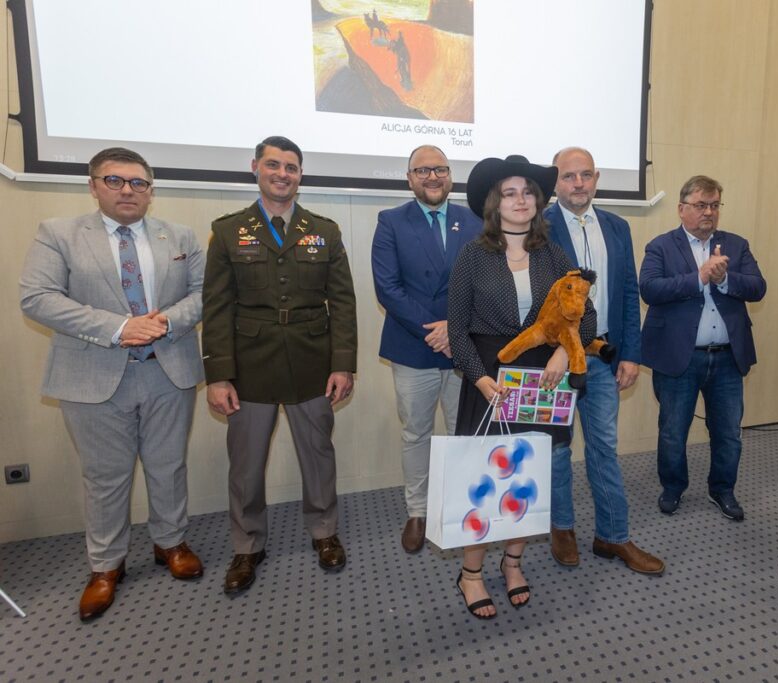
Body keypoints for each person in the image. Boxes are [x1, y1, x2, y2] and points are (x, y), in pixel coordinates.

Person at [20, 147, 205, 621]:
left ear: (150, 190)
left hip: (168, 369)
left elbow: (203, 293)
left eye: (138, 182)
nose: (128, 190)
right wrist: (120, 328)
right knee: (105, 476)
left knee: (168, 465)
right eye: (115, 180)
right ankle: (106, 565)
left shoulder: (179, 236)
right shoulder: (58, 234)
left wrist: (164, 322)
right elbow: (37, 298)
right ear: (93, 185)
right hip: (93, 376)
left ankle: (170, 543)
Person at [202, 136, 358, 594]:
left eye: (291, 167)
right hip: (250, 365)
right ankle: (247, 544)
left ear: (300, 175)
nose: (282, 174)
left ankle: (324, 531)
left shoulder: (324, 231)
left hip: (313, 360)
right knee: (246, 463)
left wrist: (343, 365)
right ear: (255, 168)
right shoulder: (228, 231)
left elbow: (343, 303)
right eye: (273, 165)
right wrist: (218, 375)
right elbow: (216, 308)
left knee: (318, 454)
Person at [448, 155, 596, 618]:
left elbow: (586, 316)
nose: (520, 200)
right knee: (484, 482)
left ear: (538, 201)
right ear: (495, 203)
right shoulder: (473, 255)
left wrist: (562, 354)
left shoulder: (554, 254)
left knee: (526, 480)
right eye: (510, 193)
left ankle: (513, 564)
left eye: (528, 192)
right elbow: (457, 330)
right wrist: (480, 378)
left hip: (541, 381)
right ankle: (470, 573)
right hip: (489, 379)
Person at [544, 147, 663, 574]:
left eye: (586, 175)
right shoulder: (539, 227)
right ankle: (562, 528)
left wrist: (631, 353)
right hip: (556, 361)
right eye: (569, 176)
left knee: (604, 448)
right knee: (556, 450)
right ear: (555, 182)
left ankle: (612, 535)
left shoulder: (617, 226)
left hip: (604, 356)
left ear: (596, 179)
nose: (578, 183)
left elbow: (629, 292)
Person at [371, 145, 482, 553]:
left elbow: (486, 282)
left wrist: (455, 329)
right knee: (416, 433)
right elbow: (388, 288)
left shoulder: (475, 222)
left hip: (463, 347)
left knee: (461, 433)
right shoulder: (391, 221)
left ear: (450, 176)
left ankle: (458, 506)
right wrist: (434, 332)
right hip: (412, 346)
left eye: (440, 169)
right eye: (422, 170)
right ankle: (417, 511)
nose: (432, 177)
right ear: (409, 178)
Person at [639, 175, 766, 522]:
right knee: (673, 431)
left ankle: (722, 489)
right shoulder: (660, 246)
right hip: (678, 357)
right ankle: (673, 487)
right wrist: (700, 277)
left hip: (727, 357)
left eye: (714, 205)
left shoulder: (736, 245)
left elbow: (757, 287)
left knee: (728, 433)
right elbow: (650, 289)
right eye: (700, 205)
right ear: (682, 209)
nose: (708, 212)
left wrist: (725, 279)